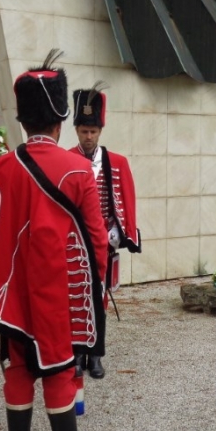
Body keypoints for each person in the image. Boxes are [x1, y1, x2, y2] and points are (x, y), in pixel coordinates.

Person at [0, 49, 108, 431]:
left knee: (18, 367)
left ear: (22, 118)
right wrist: (97, 286)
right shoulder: (78, 170)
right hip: (58, 292)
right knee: (58, 366)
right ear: (61, 118)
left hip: (10, 293)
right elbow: (97, 241)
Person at [68, 83, 141, 380]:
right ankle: (75, 354)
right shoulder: (67, 159)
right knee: (73, 298)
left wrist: (117, 231)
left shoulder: (117, 162)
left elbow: (125, 199)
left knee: (98, 299)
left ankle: (95, 355)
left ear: (100, 131)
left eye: (93, 131)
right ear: (76, 130)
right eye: (84, 131)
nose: (88, 137)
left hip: (103, 243)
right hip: (72, 244)